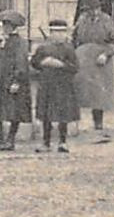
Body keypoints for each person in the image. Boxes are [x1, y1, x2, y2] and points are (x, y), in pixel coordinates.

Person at [72, 0, 114, 141]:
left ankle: (98, 125)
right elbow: (74, 38)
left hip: (100, 61)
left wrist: (106, 54)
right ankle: (75, 125)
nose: (91, 12)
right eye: (88, 10)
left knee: (98, 94)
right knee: (79, 90)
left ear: (98, 8)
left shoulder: (106, 20)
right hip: (82, 59)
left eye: (93, 9)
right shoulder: (82, 20)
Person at [32, 18, 80, 153]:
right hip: (47, 85)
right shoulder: (42, 48)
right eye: (55, 32)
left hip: (63, 85)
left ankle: (62, 142)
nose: (59, 35)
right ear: (51, 33)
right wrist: (43, 63)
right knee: (46, 114)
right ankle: (46, 142)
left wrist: (61, 65)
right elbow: (34, 63)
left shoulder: (69, 49)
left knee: (63, 115)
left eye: (62, 32)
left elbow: (75, 67)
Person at [0, 10, 32, 151]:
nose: (4, 28)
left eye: (8, 26)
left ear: (14, 27)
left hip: (11, 80)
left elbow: (21, 62)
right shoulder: (0, 42)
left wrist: (17, 81)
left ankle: (10, 139)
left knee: (14, 111)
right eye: (3, 25)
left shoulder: (20, 43)